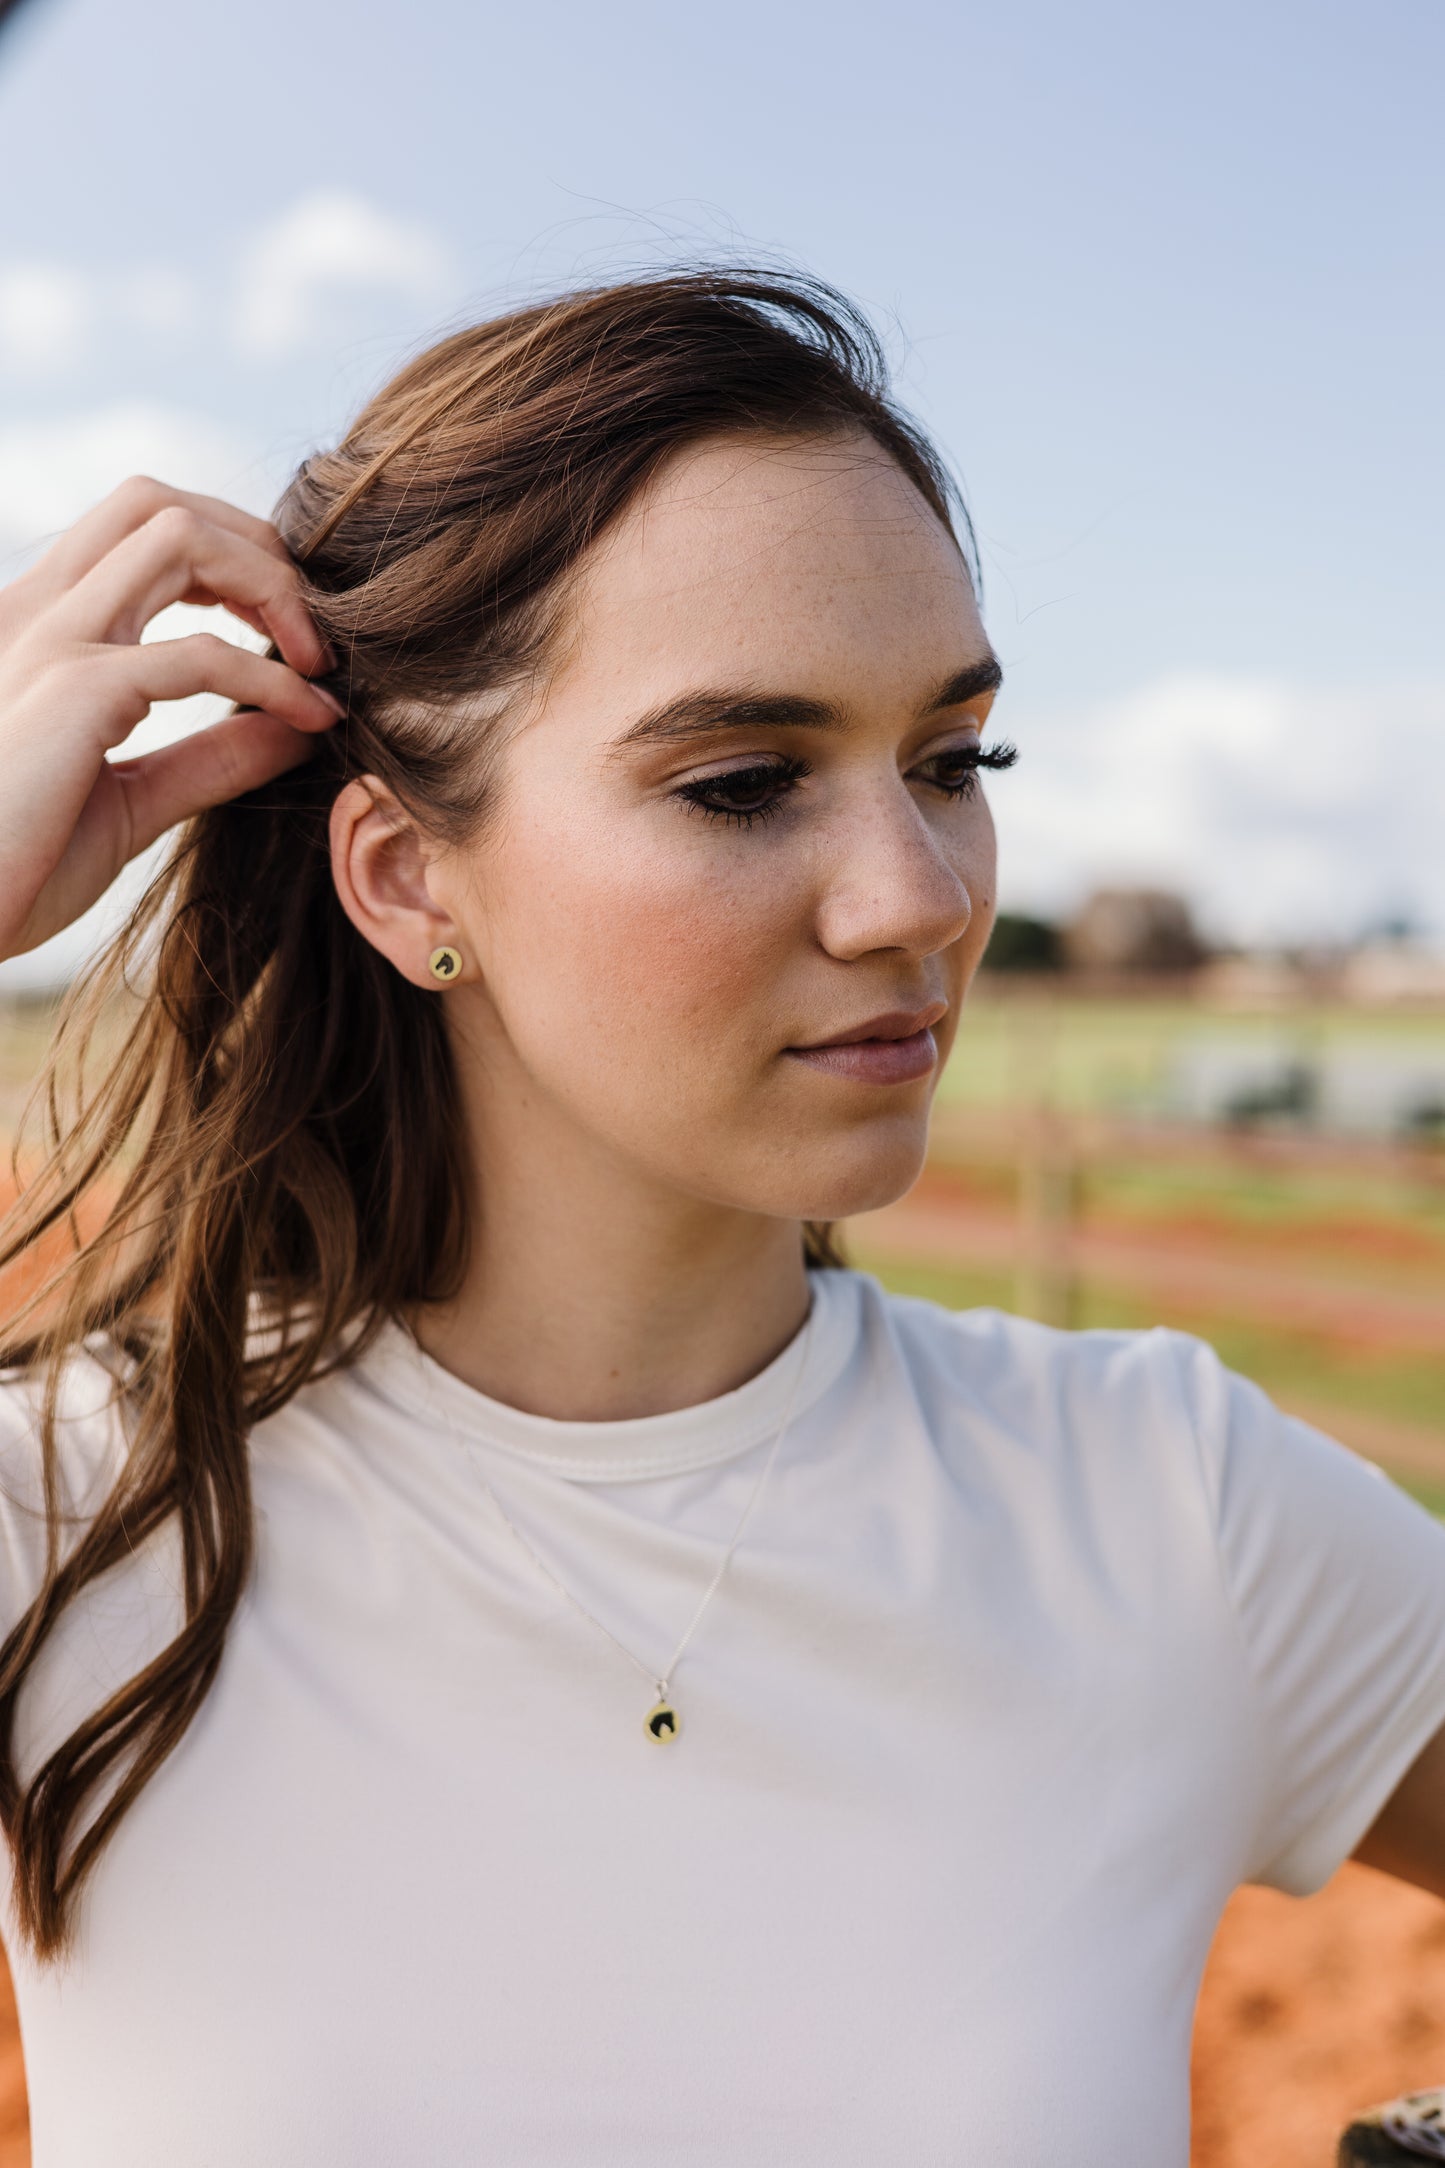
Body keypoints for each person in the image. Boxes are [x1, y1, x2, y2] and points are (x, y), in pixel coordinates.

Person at [0, 268, 1441, 2167]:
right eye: (746, 782)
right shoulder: (69, 1521)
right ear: (404, 870)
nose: (917, 896)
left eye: (952, 762)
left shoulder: (1171, 1507)